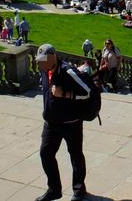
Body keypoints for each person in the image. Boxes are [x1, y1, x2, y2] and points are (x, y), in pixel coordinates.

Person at [35, 44, 89, 201]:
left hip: (71, 123)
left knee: (76, 156)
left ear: (53, 57)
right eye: (39, 61)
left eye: (43, 60)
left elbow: (87, 92)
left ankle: (79, 191)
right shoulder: (44, 70)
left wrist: (64, 94)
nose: (40, 64)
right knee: (45, 154)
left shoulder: (68, 71)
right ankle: (54, 189)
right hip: (51, 123)